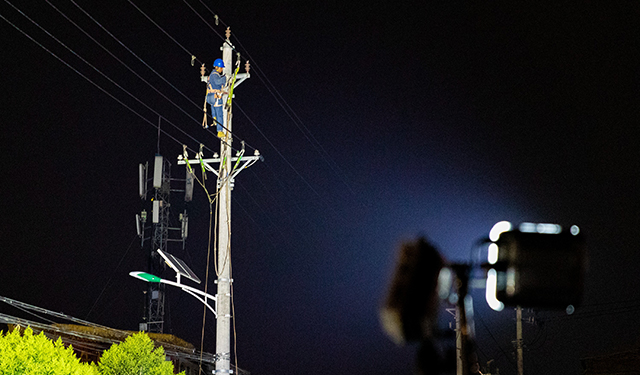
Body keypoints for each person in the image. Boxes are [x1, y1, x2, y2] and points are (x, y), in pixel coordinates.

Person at [206, 58, 227, 138]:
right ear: (218, 67)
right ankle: (220, 131)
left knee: (214, 108)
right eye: (221, 68)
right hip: (216, 97)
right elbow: (218, 82)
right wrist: (224, 78)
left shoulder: (211, 75)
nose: (222, 69)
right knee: (220, 114)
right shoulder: (215, 75)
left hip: (211, 97)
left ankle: (214, 118)